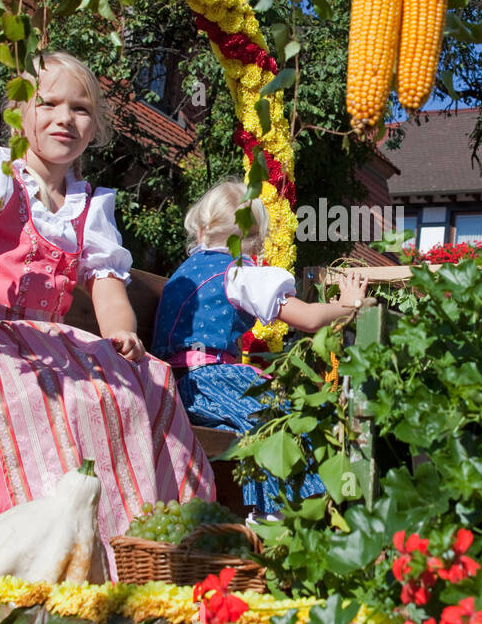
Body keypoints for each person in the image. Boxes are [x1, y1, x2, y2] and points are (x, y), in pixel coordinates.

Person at [0, 52, 214, 567]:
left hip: (47, 350)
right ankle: (24, 551)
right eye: (47, 103)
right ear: (19, 114)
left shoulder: (89, 208)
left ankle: (134, 547)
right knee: (39, 397)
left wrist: (121, 332)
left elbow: (109, 288)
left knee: (136, 390)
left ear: (95, 129)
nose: (64, 119)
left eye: (81, 109)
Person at [152, 179, 369, 515]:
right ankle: (278, 514)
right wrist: (348, 305)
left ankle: (256, 510)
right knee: (287, 421)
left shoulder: (184, 272)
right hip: (210, 383)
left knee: (254, 422)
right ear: (253, 241)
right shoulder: (239, 272)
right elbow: (309, 318)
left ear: (200, 232)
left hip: (171, 386)